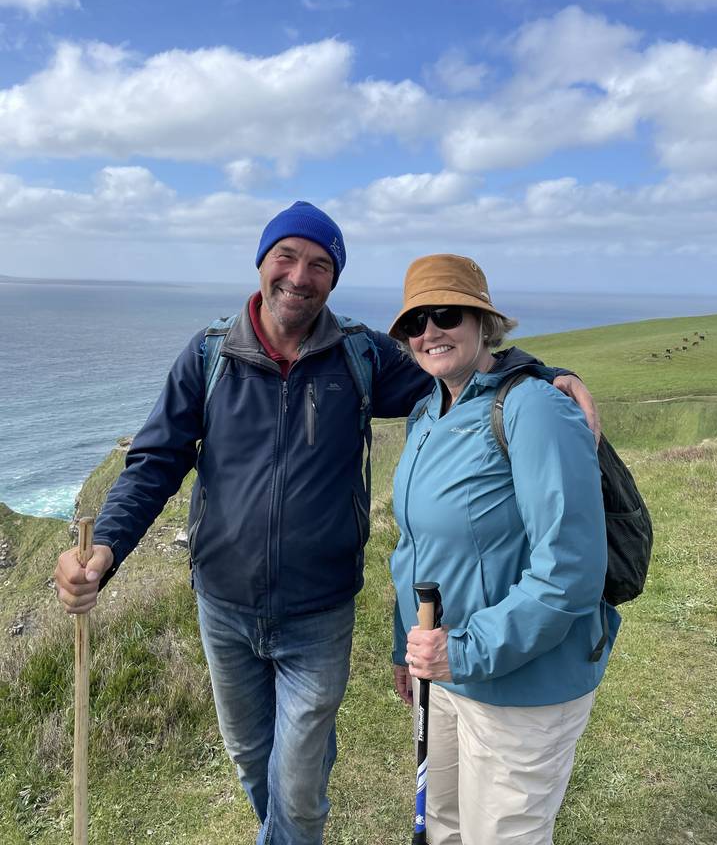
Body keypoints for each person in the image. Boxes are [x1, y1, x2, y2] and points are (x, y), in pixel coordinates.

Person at [54, 204, 599, 845]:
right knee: (252, 763)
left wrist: (549, 373)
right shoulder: (209, 356)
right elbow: (155, 463)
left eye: (320, 264)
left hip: (318, 614)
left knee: (299, 783)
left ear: (333, 281)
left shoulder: (361, 357)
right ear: (261, 263)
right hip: (223, 609)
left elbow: (464, 364)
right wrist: (107, 549)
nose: (300, 275)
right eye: (286, 256)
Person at [388, 253, 619, 845]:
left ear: (482, 321)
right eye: (416, 322)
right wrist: (408, 649)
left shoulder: (535, 407)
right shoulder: (426, 413)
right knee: (443, 825)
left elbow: (570, 569)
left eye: (447, 313)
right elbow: (415, 546)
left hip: (521, 686)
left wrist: (463, 651)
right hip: (443, 671)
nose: (430, 331)